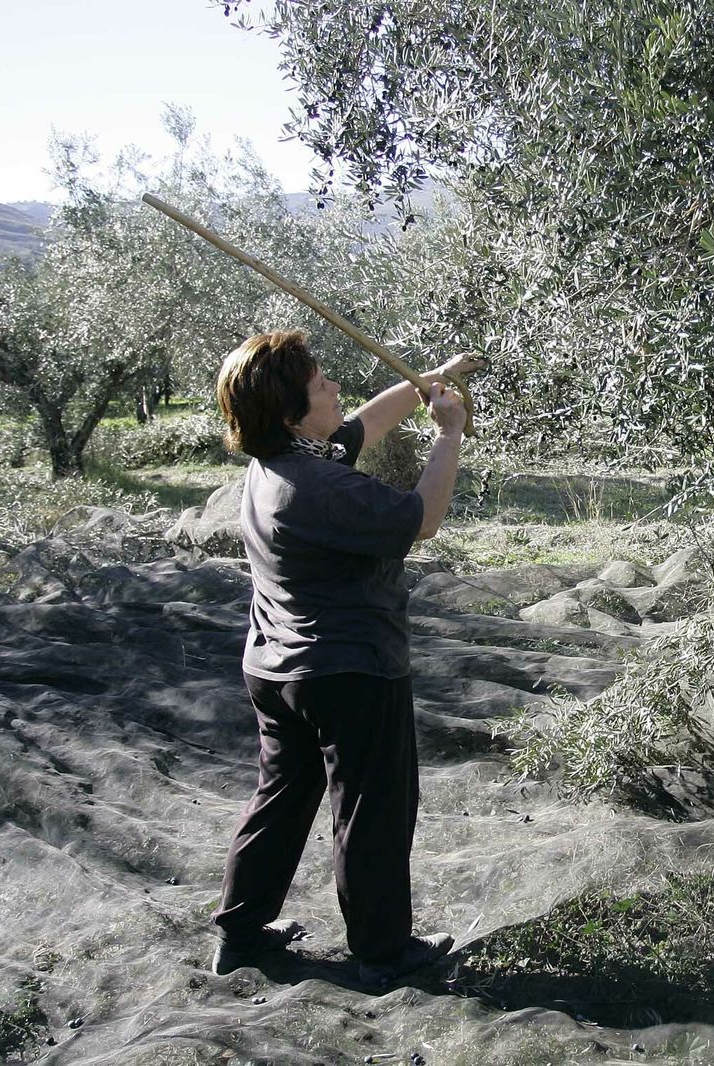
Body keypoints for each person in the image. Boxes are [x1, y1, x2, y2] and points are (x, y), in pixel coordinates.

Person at [208, 329, 479, 986]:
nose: (333, 386)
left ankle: (240, 937)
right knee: (372, 808)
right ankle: (384, 951)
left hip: (277, 668)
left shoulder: (279, 464)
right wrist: (449, 435)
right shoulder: (321, 486)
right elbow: (421, 518)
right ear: (290, 411)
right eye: (319, 382)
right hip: (348, 670)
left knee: (280, 799)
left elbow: (367, 423)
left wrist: (427, 380)